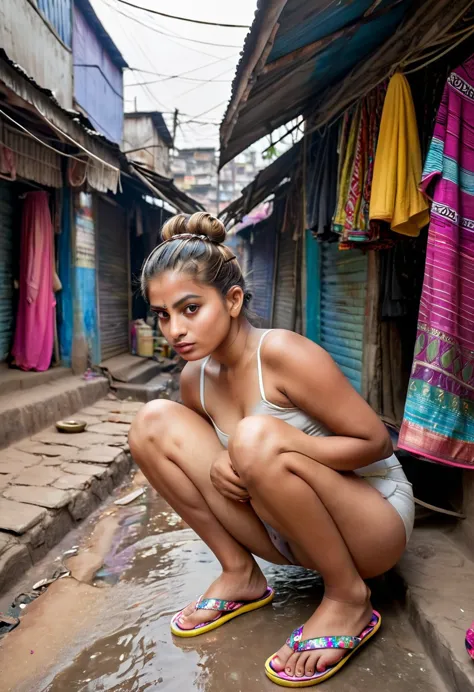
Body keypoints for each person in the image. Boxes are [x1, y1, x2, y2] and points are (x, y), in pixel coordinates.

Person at [129, 212, 415, 687]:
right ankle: (240, 573)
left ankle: (348, 597)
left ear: (233, 300)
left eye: (190, 308)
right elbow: (221, 466)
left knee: (255, 436)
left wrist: (280, 446)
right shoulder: (194, 379)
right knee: (150, 424)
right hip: (286, 529)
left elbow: (375, 443)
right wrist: (226, 465)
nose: (174, 329)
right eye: (163, 314)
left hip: (371, 519)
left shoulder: (281, 354)